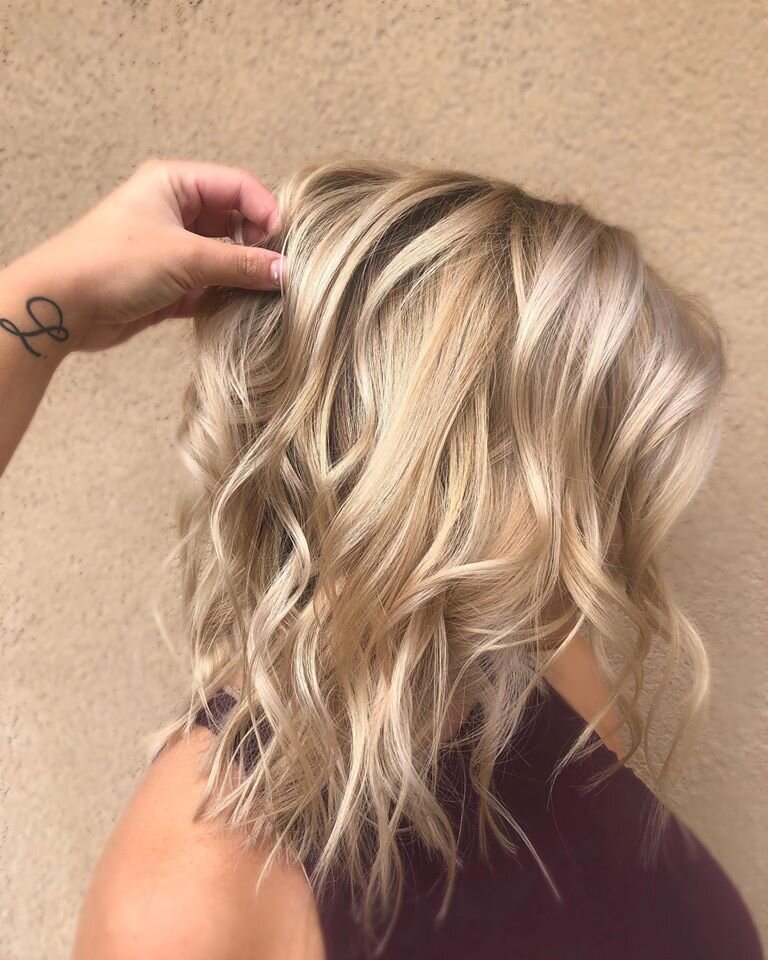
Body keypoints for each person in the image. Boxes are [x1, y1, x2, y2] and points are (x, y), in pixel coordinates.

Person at [1, 158, 761, 959]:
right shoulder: (190, 893)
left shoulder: (541, 663)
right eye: (592, 461)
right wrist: (49, 297)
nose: (614, 526)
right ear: (464, 478)